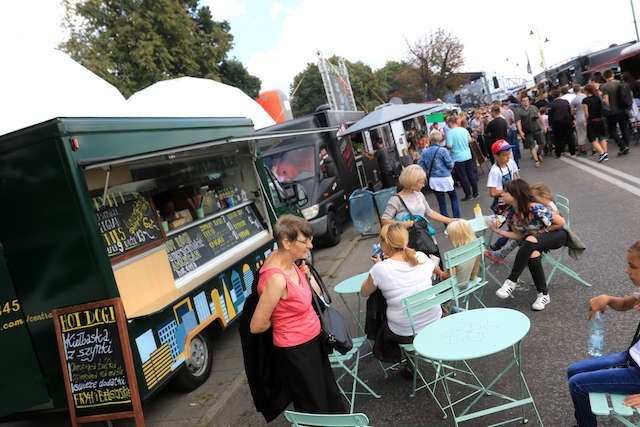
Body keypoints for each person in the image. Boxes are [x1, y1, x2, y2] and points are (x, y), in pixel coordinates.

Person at [250, 215, 345, 414]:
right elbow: (257, 325)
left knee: (329, 396)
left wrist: (308, 277)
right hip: (297, 351)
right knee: (314, 405)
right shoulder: (275, 279)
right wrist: (284, 323)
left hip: (314, 340)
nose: (310, 245)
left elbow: (316, 296)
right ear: (286, 242)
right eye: (305, 241)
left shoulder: (291, 262)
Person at [567, 241, 640, 427]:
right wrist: (607, 299)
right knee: (573, 371)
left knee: (578, 384)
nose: (627, 271)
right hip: (632, 357)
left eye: (632, 266)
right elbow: (624, 304)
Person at [360, 223, 442, 362]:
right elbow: (434, 269)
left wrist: (378, 265)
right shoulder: (420, 257)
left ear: (385, 244)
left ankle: (408, 364)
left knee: (382, 318)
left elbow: (364, 291)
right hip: (435, 320)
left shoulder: (381, 269)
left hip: (405, 332)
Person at [490, 180, 567, 311]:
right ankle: (543, 294)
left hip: (556, 235)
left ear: (516, 194)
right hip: (535, 241)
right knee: (532, 253)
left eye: (506, 191)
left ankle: (511, 281)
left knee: (530, 240)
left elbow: (561, 222)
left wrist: (542, 232)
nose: (502, 193)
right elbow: (519, 236)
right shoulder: (510, 214)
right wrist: (498, 231)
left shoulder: (533, 207)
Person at [484, 140, 519, 264]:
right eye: (504, 154)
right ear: (496, 156)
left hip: (513, 200)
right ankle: (496, 247)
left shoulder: (511, 163)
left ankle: (498, 248)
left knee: (515, 226)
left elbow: (515, 178)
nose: (508, 156)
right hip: (502, 204)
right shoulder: (494, 171)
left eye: (509, 153)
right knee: (513, 226)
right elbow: (492, 192)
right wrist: (506, 191)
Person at [418, 130, 460, 218]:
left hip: (434, 180)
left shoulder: (425, 152)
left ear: (430, 139)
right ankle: (457, 220)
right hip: (445, 178)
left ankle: (446, 224)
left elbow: (420, 166)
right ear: (440, 139)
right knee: (454, 199)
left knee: (442, 203)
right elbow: (450, 164)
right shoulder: (443, 151)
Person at [445, 114, 479, 201]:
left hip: (457, 157)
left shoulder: (450, 133)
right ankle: (476, 192)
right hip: (467, 155)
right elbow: (470, 140)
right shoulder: (464, 130)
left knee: (463, 176)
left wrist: (448, 146)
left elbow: (449, 146)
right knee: (471, 173)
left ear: (450, 123)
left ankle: (468, 194)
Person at [601, 69, 631, 155]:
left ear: (604, 77)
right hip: (622, 110)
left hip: (612, 112)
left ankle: (622, 146)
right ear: (612, 75)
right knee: (624, 128)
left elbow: (606, 101)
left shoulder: (605, 87)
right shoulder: (619, 83)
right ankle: (626, 146)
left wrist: (606, 107)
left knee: (612, 130)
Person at [445, 219, 480, 289]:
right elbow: (476, 267)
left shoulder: (453, 256)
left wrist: (440, 272)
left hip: (458, 287)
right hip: (469, 280)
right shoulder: (476, 248)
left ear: (456, 238)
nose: (447, 237)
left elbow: (450, 279)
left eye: (449, 235)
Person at [514, 94, 546, 167]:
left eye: (527, 100)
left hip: (537, 128)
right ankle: (536, 161)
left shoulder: (534, 107)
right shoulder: (519, 111)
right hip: (527, 131)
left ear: (529, 101)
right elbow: (518, 122)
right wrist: (521, 131)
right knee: (532, 146)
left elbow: (539, 116)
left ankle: (538, 153)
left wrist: (544, 125)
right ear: (521, 102)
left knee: (542, 143)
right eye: (524, 101)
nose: (525, 102)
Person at [582, 84, 609, 162]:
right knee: (602, 137)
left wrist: (587, 119)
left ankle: (602, 153)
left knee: (592, 139)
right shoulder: (598, 98)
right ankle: (605, 154)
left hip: (592, 121)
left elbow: (586, 113)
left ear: (586, 91)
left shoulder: (585, 100)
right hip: (600, 120)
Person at [547, 89, 576, 157]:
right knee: (570, 136)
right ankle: (572, 152)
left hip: (557, 122)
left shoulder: (551, 105)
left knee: (557, 138)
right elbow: (570, 112)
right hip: (567, 121)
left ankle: (558, 153)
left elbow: (550, 116)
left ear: (553, 96)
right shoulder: (565, 102)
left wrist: (550, 124)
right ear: (560, 94)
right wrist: (572, 120)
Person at [571, 84, 589, 155]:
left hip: (579, 118)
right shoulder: (585, 96)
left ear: (574, 91)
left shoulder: (574, 100)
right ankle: (594, 148)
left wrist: (576, 111)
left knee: (581, 133)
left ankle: (583, 149)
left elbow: (572, 112)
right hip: (587, 116)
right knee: (590, 132)